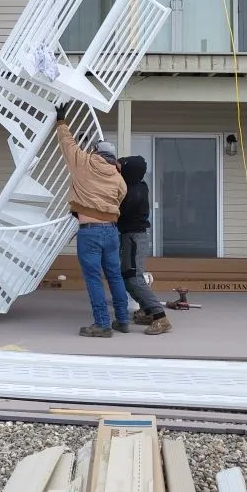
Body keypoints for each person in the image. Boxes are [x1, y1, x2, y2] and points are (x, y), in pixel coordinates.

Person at [55, 104, 129, 337]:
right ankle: (122, 320)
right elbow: (121, 197)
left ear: (96, 151)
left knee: (94, 279)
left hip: (90, 232)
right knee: (115, 276)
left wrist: (61, 121)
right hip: (112, 231)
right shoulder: (118, 178)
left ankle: (102, 324)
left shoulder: (83, 162)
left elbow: (67, 144)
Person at [118, 156, 172, 336]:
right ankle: (147, 311)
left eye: (121, 168)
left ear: (129, 171)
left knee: (134, 277)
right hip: (130, 237)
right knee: (127, 277)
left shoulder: (134, 192)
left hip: (134, 238)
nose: (118, 171)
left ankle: (160, 317)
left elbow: (119, 211)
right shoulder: (138, 186)